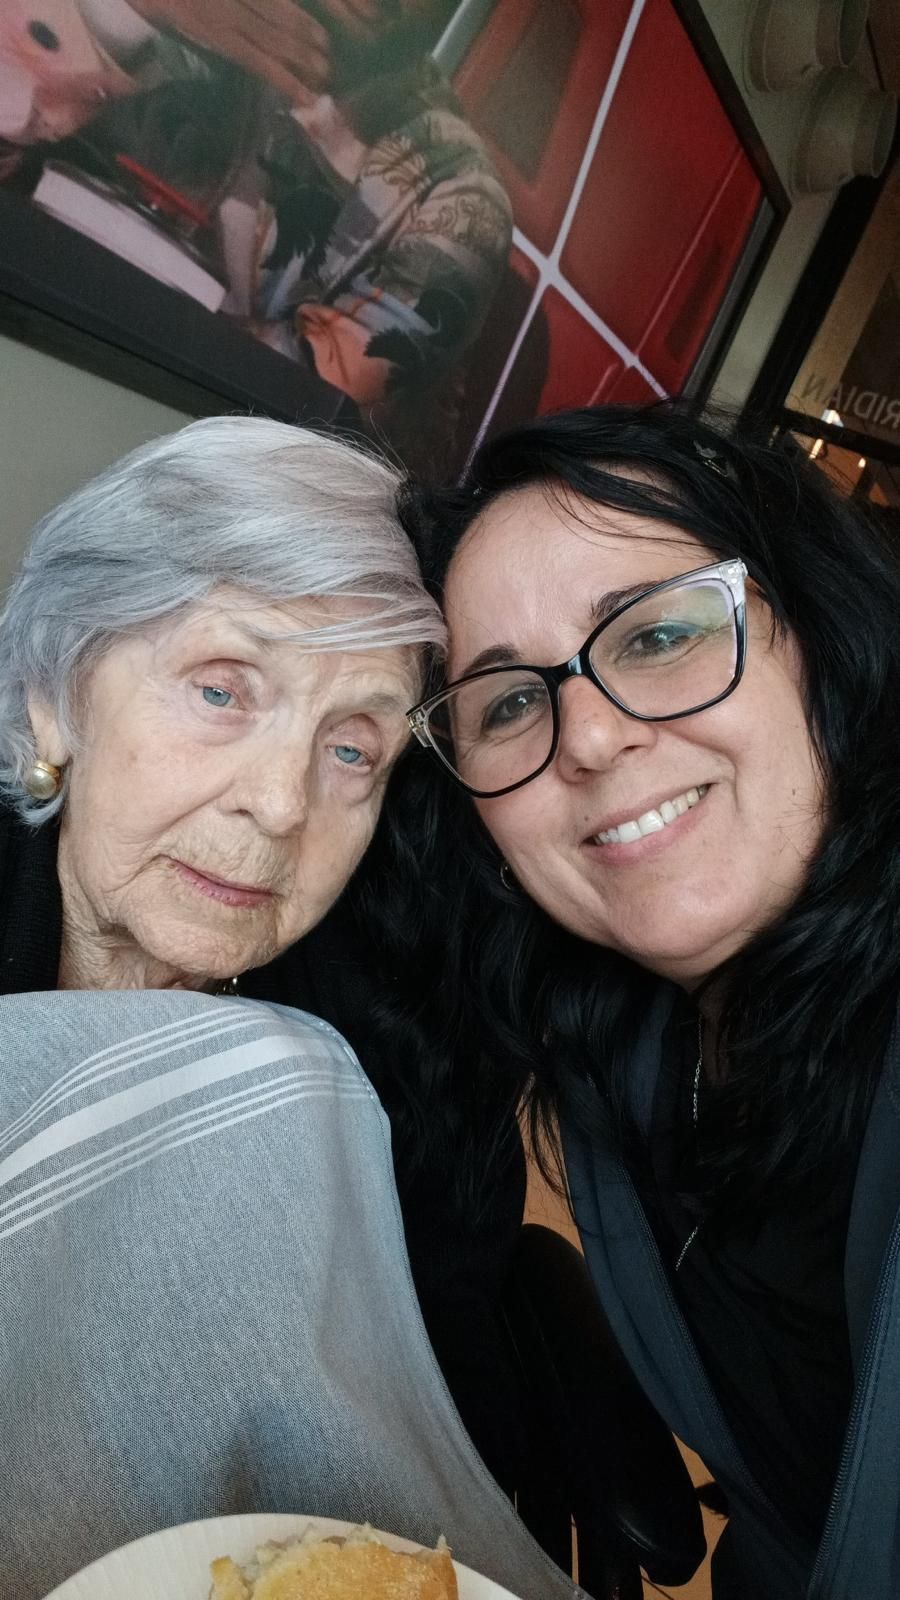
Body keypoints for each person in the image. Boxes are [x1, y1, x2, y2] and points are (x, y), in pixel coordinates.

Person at [396, 402, 900, 1600]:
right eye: (509, 701)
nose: (590, 738)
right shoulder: (614, 1047)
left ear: (815, 634)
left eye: (658, 633)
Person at [0, 414, 526, 1518]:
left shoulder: (406, 1042)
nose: (282, 803)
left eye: (352, 749)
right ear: (56, 691)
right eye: (222, 690)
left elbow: (440, 1393)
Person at [1, 0, 512, 470]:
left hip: (156, 475)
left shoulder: (457, 192)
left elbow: (284, 420)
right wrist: (124, 15)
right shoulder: (191, 20)